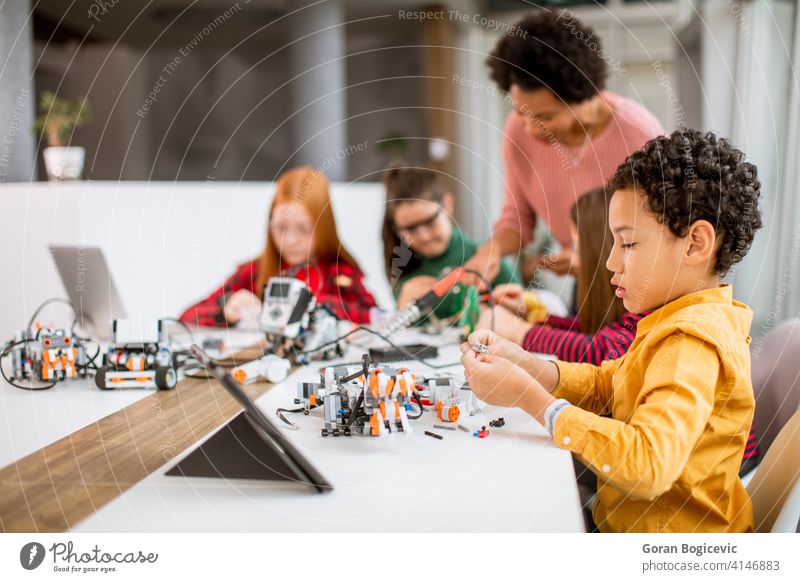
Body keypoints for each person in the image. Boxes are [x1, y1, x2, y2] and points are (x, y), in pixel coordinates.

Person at [461, 129, 762, 532]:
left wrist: (529, 398)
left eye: (628, 244)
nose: (609, 263)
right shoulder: (672, 319)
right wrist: (526, 364)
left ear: (695, 244)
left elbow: (647, 465)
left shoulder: (691, 342)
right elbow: (612, 382)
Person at [463, 11, 663, 286]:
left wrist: (590, 256)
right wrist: (490, 251)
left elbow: (660, 234)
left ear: (585, 94)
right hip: (586, 287)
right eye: (520, 112)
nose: (531, 128)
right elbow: (517, 219)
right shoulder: (517, 132)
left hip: (642, 284)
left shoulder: (639, 133)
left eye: (545, 117)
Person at [180, 166, 377, 327]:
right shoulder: (253, 273)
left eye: (303, 229)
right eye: (281, 228)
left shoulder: (342, 275)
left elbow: (377, 319)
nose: (290, 240)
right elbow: (187, 318)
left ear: (324, 227)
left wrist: (316, 307)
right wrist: (226, 306)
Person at [381, 164, 520, 320]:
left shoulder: (489, 262)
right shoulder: (404, 272)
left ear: (447, 204)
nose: (424, 236)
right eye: (410, 229)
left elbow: (522, 317)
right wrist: (404, 310)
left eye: (429, 222)